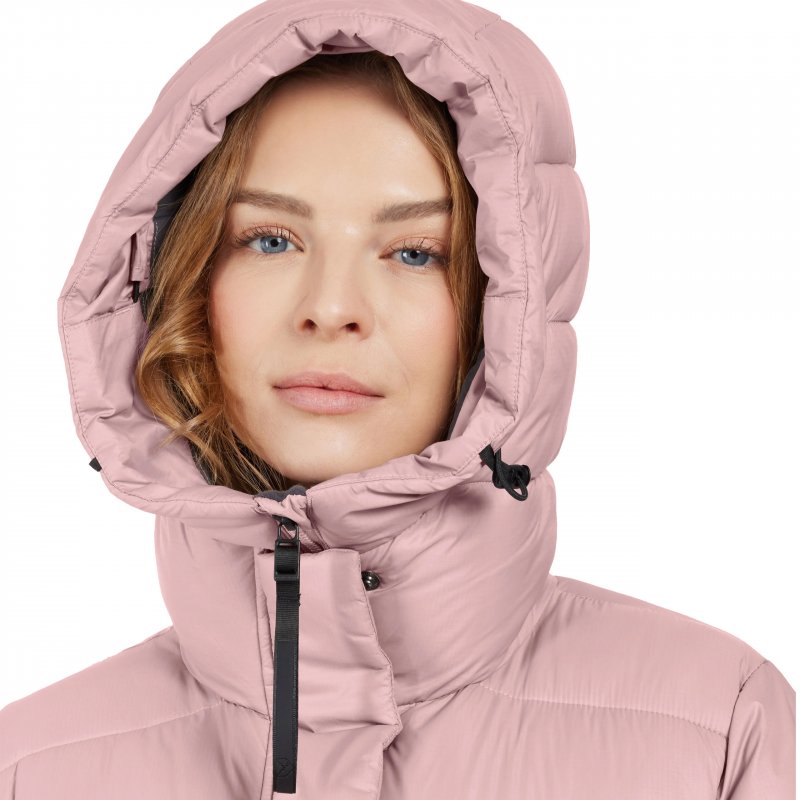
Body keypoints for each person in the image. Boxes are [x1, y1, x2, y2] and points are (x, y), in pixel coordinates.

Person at [0, 0, 795, 797]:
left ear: (509, 311)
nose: (331, 307)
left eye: (416, 253)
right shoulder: (31, 767)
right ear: (184, 278)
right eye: (270, 240)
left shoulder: (714, 734)